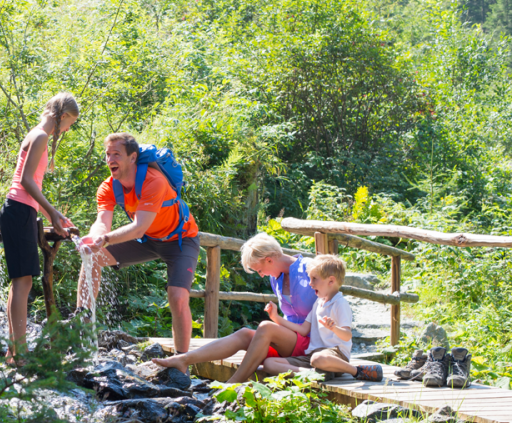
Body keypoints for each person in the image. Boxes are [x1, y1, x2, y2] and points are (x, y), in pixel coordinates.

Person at [76, 132, 200, 355]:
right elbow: (102, 222)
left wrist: (105, 240)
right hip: (147, 240)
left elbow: (138, 227)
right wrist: (93, 239)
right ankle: (82, 325)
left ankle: (181, 363)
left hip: (180, 240)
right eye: (107, 154)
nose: (110, 159)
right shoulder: (107, 187)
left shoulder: (154, 181)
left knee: (178, 297)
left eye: (116, 154)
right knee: (91, 256)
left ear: (132, 158)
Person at [153, 232, 316, 382]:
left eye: (259, 269)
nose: (261, 274)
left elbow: (330, 302)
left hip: (312, 343)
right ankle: (184, 359)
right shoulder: (276, 278)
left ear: (269, 259)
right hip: (291, 341)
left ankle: (231, 385)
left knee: (266, 327)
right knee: (245, 334)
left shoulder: (310, 268)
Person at [0, 92, 79, 365]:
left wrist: (55, 217)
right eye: (70, 125)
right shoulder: (41, 136)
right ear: (63, 116)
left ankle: (14, 352)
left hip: (19, 210)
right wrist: (53, 212)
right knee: (23, 282)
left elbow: (31, 187)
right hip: (18, 210)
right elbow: (25, 182)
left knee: (20, 281)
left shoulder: (36, 134)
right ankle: (19, 354)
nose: (68, 130)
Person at [260, 254, 382, 381]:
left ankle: (357, 371)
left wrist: (334, 328)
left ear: (331, 281)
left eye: (314, 279)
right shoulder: (318, 303)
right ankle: (314, 373)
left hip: (336, 355)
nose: (310, 283)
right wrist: (276, 318)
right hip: (313, 356)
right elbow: (303, 330)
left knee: (318, 359)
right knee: (269, 364)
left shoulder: (340, 303)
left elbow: (347, 335)